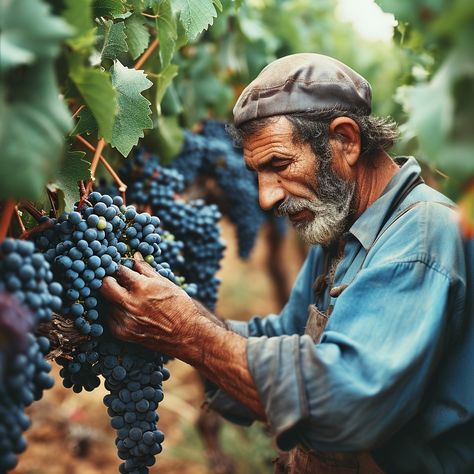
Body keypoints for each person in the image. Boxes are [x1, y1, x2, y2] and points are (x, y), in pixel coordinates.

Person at [101, 54, 474, 474]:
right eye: (257, 174)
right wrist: (165, 320)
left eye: (278, 165)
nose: (266, 198)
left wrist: (189, 333)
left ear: (346, 141)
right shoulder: (340, 229)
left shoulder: (421, 237)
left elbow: (346, 405)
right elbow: (285, 336)